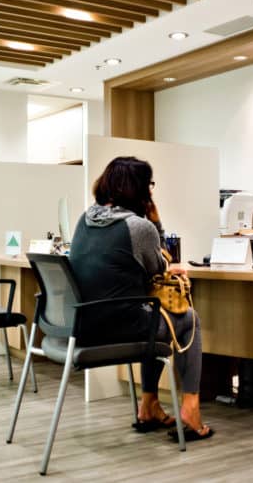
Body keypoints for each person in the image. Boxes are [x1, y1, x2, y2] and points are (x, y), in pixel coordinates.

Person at [69, 156, 213, 441]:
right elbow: (158, 268)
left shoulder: (84, 219)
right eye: (149, 185)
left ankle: (149, 406)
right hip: (119, 327)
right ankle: (191, 408)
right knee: (188, 321)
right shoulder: (138, 227)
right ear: (140, 190)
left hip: (82, 325)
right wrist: (156, 222)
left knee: (153, 315)